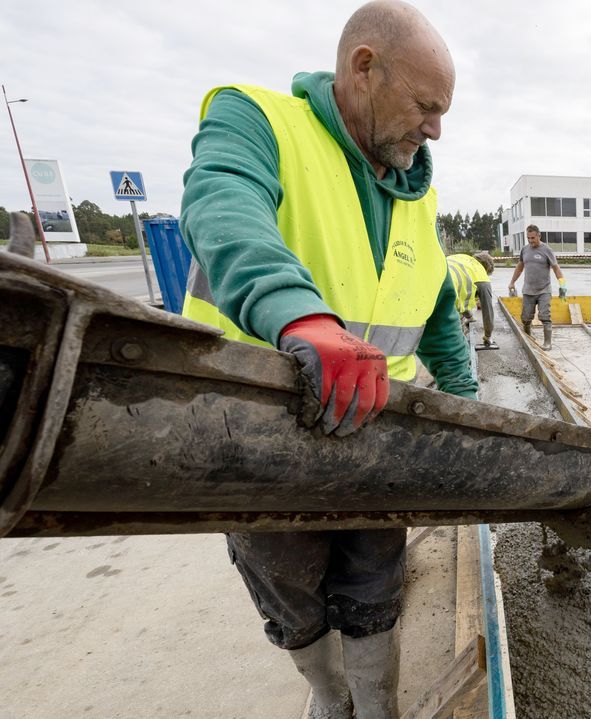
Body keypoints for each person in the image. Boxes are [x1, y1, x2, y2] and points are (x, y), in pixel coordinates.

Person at [178, 3, 475, 716]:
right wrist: (302, 317)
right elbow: (223, 204)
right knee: (290, 585)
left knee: (375, 582)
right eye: (425, 106)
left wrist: (468, 405)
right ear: (363, 66)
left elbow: (434, 306)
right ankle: (330, 695)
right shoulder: (257, 121)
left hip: (377, 438)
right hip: (259, 432)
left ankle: (376, 705)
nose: (435, 128)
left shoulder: (416, 196)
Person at [507, 224, 566, 349]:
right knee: (526, 318)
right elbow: (520, 267)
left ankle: (547, 343)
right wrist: (512, 282)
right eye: (528, 238)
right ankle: (528, 337)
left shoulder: (547, 250)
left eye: (533, 238)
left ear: (539, 235)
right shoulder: (525, 250)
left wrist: (562, 284)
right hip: (528, 290)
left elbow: (556, 268)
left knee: (545, 316)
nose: (530, 241)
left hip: (544, 289)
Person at [447, 250, 496, 346]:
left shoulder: (463, 258)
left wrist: (469, 317)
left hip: (435, 276)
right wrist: (488, 336)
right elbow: (488, 311)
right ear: (486, 269)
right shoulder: (482, 276)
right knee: (453, 333)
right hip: (448, 290)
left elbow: (463, 293)